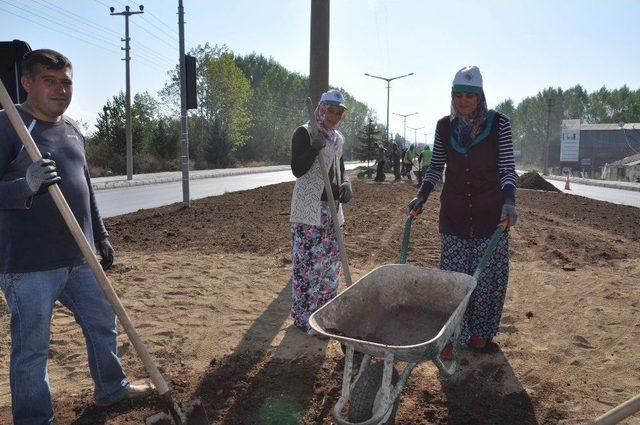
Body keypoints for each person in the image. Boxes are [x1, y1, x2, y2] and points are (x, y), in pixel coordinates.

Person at [0, 49, 152, 424]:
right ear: (26, 83)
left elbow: (85, 187)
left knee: (103, 321)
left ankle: (110, 388)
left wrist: (99, 235)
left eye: (65, 81)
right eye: (48, 81)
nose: (60, 89)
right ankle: (35, 418)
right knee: (32, 350)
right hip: (29, 264)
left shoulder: (72, 131)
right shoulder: (8, 124)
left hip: (80, 256)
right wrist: (25, 185)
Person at [408, 66, 518, 358]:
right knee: (454, 279)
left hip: (489, 214)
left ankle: (481, 332)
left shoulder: (499, 124)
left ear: (480, 95)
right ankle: (454, 333)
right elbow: (436, 167)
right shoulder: (445, 126)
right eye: (457, 95)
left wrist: (509, 200)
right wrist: (422, 195)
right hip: (454, 214)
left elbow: (507, 168)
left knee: (488, 277)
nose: (463, 102)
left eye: (469, 96)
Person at [289, 89, 352, 335]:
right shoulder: (305, 132)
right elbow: (297, 169)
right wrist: (313, 148)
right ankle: (305, 319)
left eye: (338, 113)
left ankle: (324, 317)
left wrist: (346, 185)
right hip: (309, 210)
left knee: (329, 266)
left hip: (332, 212)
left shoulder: (338, 139)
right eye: (331, 111)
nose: (334, 117)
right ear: (321, 109)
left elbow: (341, 169)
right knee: (308, 267)